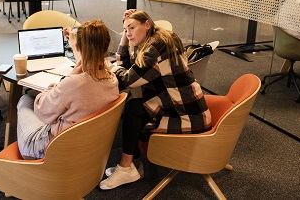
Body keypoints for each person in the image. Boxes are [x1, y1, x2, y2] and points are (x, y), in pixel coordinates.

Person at [99, 10, 211, 190]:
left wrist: (109, 66)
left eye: (132, 28)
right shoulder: (162, 37)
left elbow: (128, 80)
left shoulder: (155, 48)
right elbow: (131, 66)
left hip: (188, 118)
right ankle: (132, 166)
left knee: (133, 114)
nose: (127, 33)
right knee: (134, 107)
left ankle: (128, 167)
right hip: (180, 107)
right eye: (125, 29)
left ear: (147, 25)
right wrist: (127, 35)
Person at [16, 20, 119, 159]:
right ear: (106, 47)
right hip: (87, 143)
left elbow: (41, 110)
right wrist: (73, 43)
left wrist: (65, 79)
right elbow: (87, 59)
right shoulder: (112, 79)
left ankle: (18, 157)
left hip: (54, 147)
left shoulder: (72, 84)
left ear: (78, 47)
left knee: (26, 99)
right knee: (52, 104)